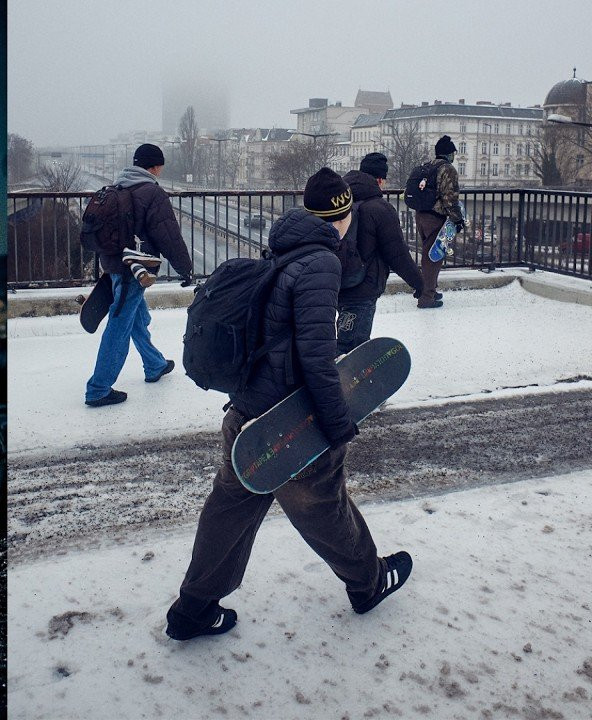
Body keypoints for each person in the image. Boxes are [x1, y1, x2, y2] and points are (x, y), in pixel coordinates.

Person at [164, 168, 411, 641]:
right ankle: (369, 582)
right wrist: (337, 424)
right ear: (343, 216)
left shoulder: (283, 248)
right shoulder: (321, 263)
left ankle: (193, 608)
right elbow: (316, 356)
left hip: (248, 415)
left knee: (230, 509)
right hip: (290, 420)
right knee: (322, 505)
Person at [84, 143, 194, 407]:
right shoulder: (152, 192)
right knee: (120, 323)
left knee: (136, 317)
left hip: (114, 264)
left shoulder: (117, 186)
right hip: (135, 268)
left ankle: (154, 364)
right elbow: (168, 236)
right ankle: (98, 388)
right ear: (154, 166)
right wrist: (185, 268)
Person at [337, 152, 428, 353]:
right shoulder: (380, 208)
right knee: (353, 348)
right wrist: (419, 282)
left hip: (338, 281)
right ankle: (343, 373)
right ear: (380, 180)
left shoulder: (340, 202)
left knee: (346, 337)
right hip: (363, 287)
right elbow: (397, 254)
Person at [413, 135, 463, 310]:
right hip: (435, 218)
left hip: (421, 215)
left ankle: (430, 291)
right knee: (433, 258)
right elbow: (450, 198)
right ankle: (426, 298)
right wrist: (457, 219)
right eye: (453, 153)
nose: (454, 156)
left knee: (429, 255)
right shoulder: (447, 169)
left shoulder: (428, 166)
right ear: (448, 154)